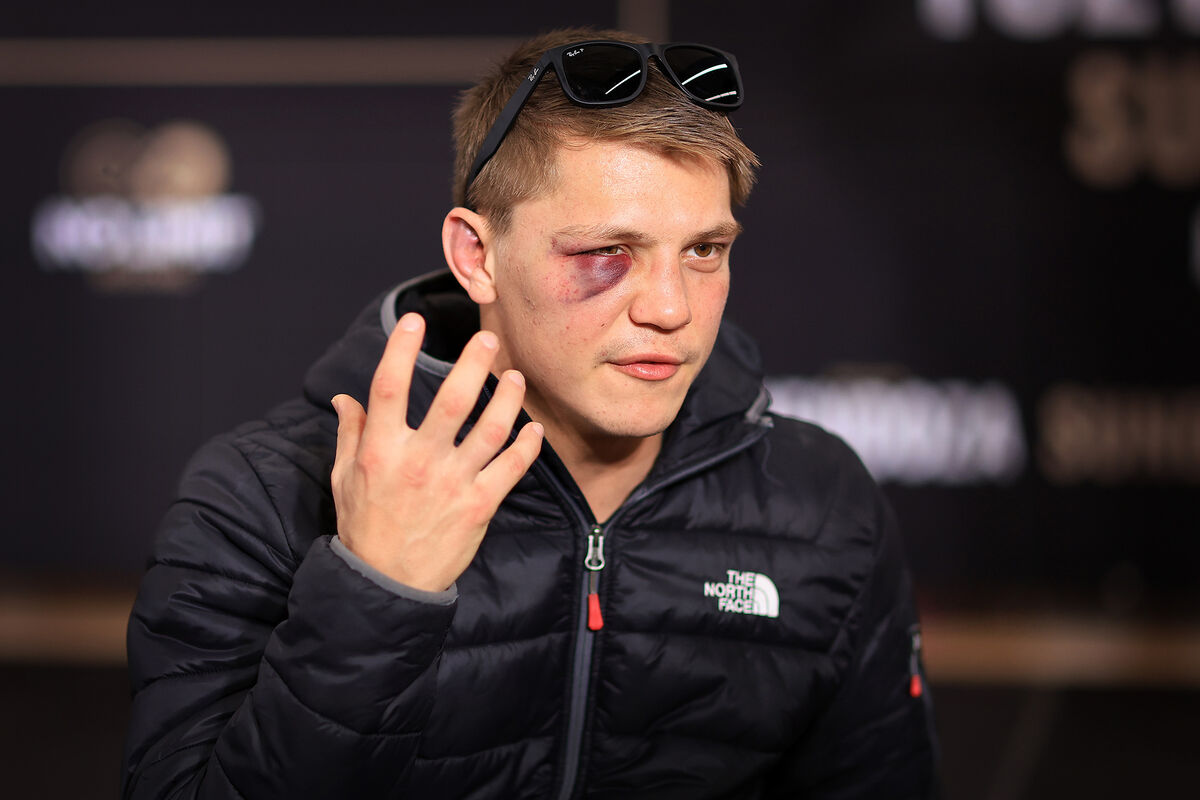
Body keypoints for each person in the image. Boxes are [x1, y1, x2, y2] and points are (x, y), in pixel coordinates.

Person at [122, 26, 938, 799]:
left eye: (704, 250)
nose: (671, 309)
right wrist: (375, 597)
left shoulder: (824, 503)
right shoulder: (262, 496)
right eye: (606, 252)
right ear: (476, 256)